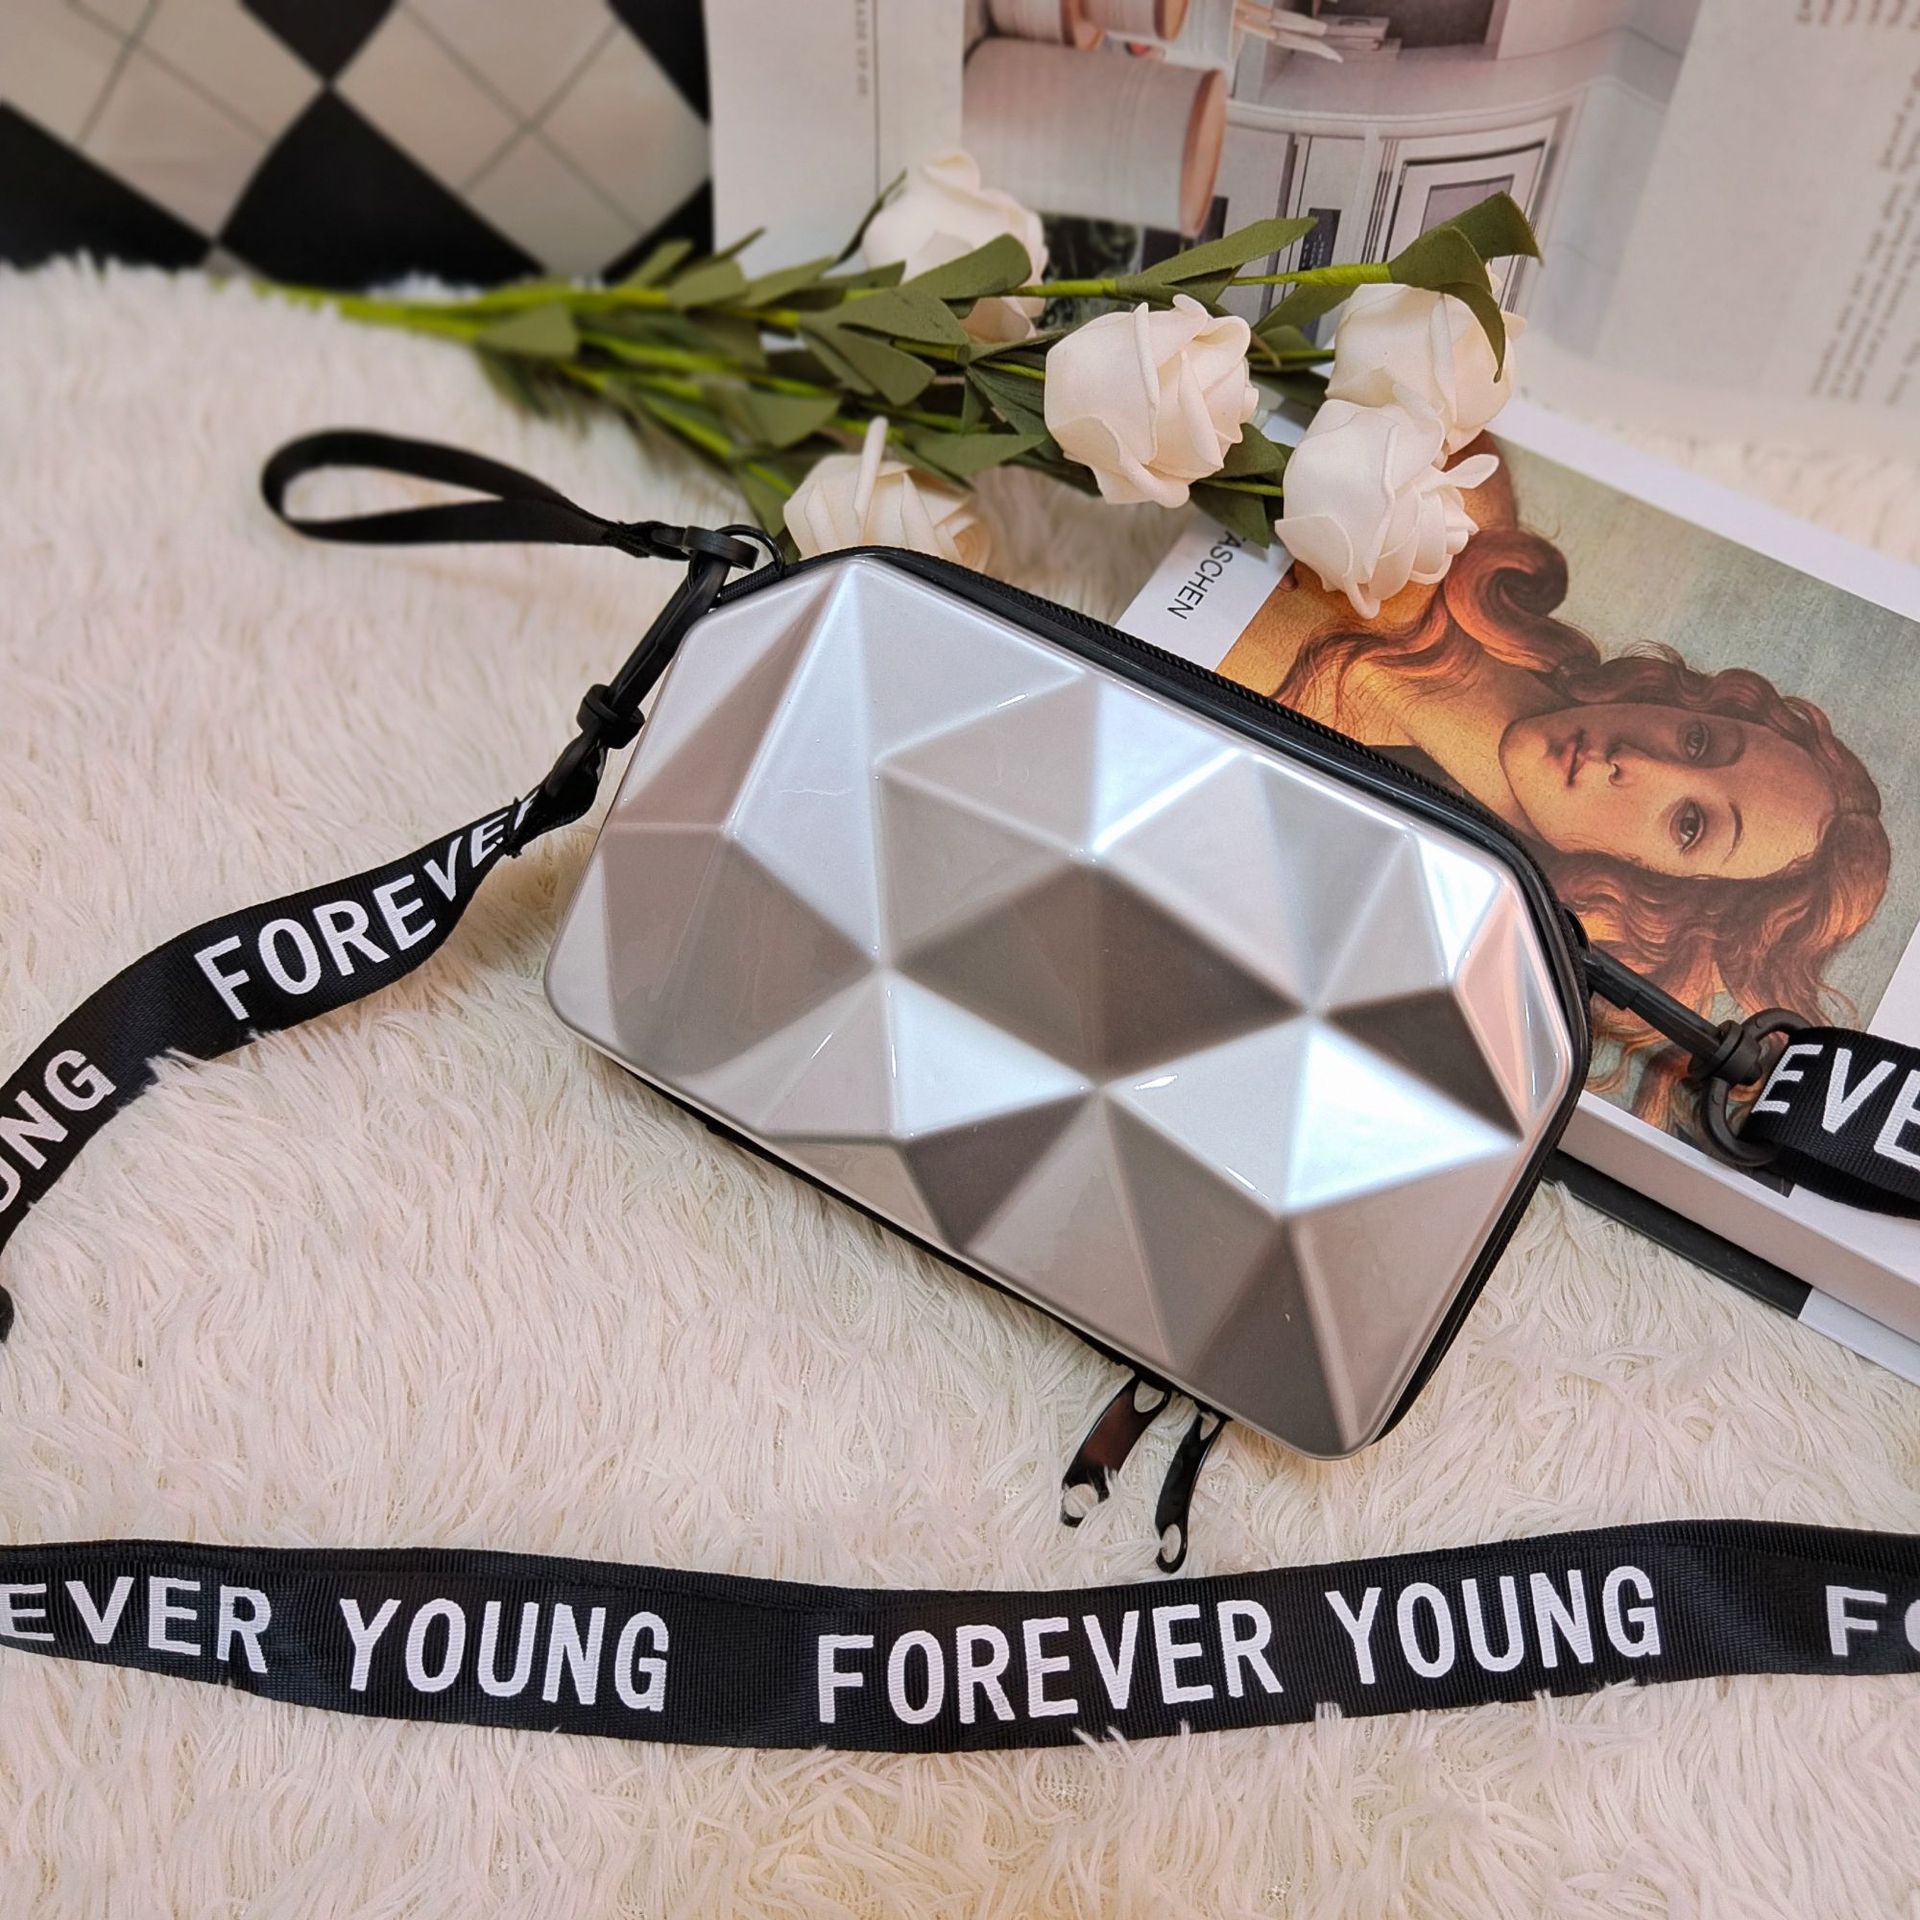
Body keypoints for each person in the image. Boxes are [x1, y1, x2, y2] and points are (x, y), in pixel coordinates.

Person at [1222, 454, 1891, 1129]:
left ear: (1660, 884)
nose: (1636, 761)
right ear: (1682, 703)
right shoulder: (1464, 504)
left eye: (1690, 824)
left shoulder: (1342, 866)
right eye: (1697, 741)